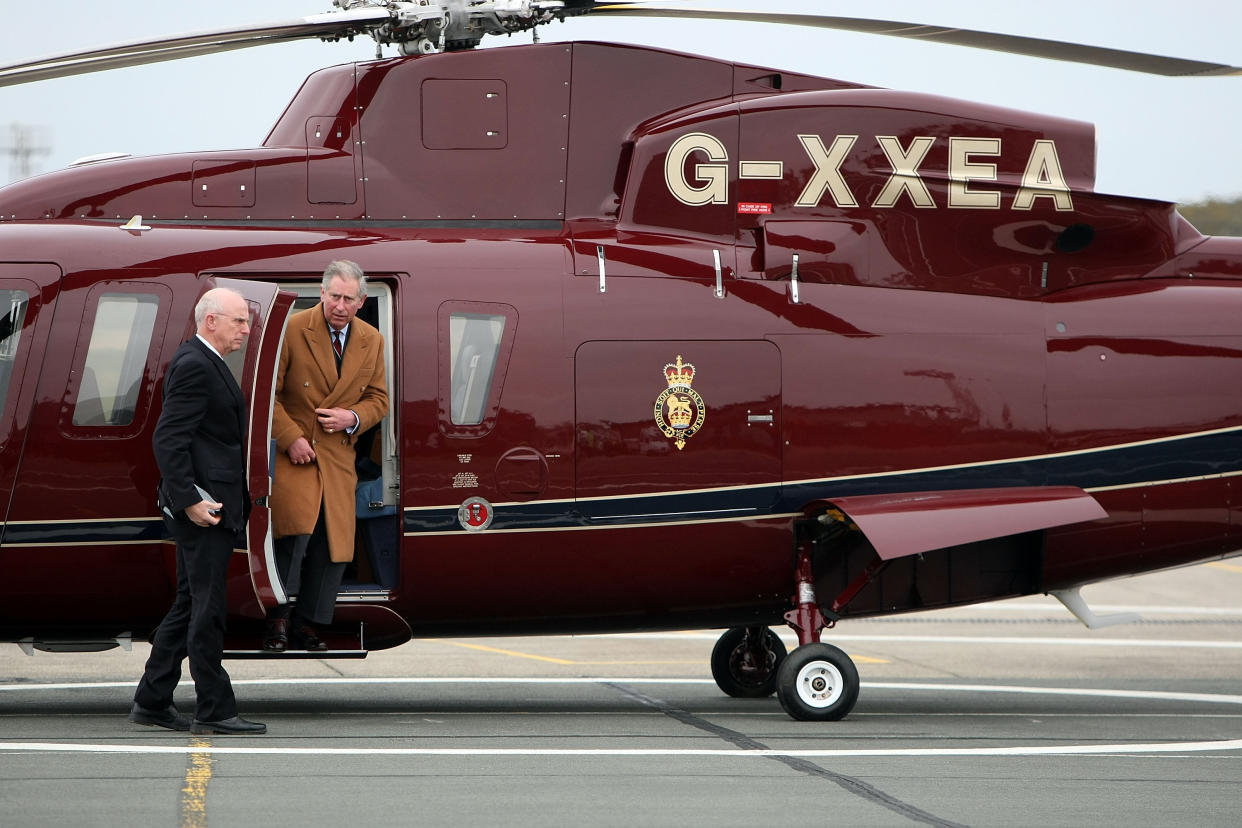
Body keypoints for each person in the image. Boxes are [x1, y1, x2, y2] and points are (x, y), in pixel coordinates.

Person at [131, 288, 266, 735]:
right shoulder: (195, 365)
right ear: (211, 321)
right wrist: (189, 500)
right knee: (208, 608)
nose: (246, 329)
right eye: (239, 321)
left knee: (190, 603)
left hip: (208, 505)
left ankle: (152, 699)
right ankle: (214, 706)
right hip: (204, 510)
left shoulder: (205, 361)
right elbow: (168, 440)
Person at [264, 260, 389, 651]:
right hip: (296, 457)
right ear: (321, 293)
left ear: (361, 301)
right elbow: (267, 395)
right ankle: (277, 621)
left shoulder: (373, 339)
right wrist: (291, 439)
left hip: (337, 459)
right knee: (293, 538)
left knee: (332, 547)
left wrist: (352, 416)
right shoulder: (294, 328)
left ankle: (309, 624)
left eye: (348, 299)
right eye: (333, 295)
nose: (339, 304)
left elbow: (379, 400)